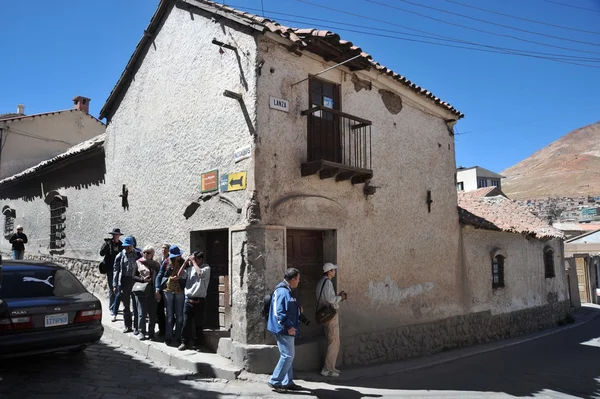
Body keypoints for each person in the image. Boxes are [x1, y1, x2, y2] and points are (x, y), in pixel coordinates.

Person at [267, 268, 302, 392]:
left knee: (288, 356)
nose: (299, 281)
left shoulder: (288, 290)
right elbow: (279, 312)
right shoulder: (283, 291)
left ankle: (287, 382)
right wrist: (289, 327)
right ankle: (275, 381)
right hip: (283, 329)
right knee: (287, 356)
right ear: (292, 280)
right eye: (298, 279)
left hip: (287, 328)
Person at [316, 263, 347, 378]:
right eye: (333, 270)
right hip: (330, 315)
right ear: (329, 271)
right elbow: (330, 299)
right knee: (334, 342)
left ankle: (331, 367)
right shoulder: (327, 282)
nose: (335, 272)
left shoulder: (321, 282)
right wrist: (341, 297)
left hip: (324, 314)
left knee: (331, 340)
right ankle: (327, 369)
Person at [177, 251, 210, 351]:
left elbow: (200, 274)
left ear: (200, 259)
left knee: (198, 323)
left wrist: (194, 262)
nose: (193, 261)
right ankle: (184, 342)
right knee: (186, 322)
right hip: (188, 299)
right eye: (193, 259)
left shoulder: (206, 268)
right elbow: (179, 274)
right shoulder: (190, 269)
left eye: (195, 259)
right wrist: (185, 262)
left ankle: (198, 344)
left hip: (199, 300)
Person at [157, 245, 185, 346]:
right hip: (168, 290)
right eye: (177, 255)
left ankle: (178, 337)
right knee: (169, 315)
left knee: (179, 316)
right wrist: (157, 289)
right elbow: (160, 275)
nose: (179, 257)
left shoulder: (184, 262)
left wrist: (180, 279)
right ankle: (168, 336)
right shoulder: (167, 262)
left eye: (179, 255)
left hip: (180, 291)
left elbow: (187, 275)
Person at [113, 236, 142, 334]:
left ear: (132, 245)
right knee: (126, 306)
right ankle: (127, 326)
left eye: (128, 246)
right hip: (124, 281)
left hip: (134, 281)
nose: (127, 248)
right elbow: (116, 270)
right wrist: (115, 284)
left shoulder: (138, 254)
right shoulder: (120, 255)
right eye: (125, 246)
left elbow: (142, 268)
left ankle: (136, 327)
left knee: (135, 305)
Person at [134, 246, 161, 340]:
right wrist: (142, 280)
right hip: (142, 290)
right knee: (142, 313)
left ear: (152, 254)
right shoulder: (138, 262)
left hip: (153, 291)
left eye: (148, 252)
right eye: (144, 252)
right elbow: (133, 276)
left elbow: (159, 277)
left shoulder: (156, 264)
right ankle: (142, 332)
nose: (145, 254)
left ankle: (151, 333)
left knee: (152, 314)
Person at [99, 228, 123, 321]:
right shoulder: (108, 244)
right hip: (110, 269)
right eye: (114, 235)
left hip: (118, 269)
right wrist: (106, 245)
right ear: (113, 235)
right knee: (112, 287)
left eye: (117, 235)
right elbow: (101, 253)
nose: (116, 236)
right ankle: (112, 307)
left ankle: (115, 306)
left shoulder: (121, 245)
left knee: (118, 287)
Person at [154, 243, 170, 337]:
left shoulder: (171, 260)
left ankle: (169, 330)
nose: (163, 250)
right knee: (159, 311)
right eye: (162, 248)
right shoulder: (158, 260)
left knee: (169, 312)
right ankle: (162, 330)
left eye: (165, 248)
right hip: (160, 289)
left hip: (168, 289)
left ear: (169, 250)